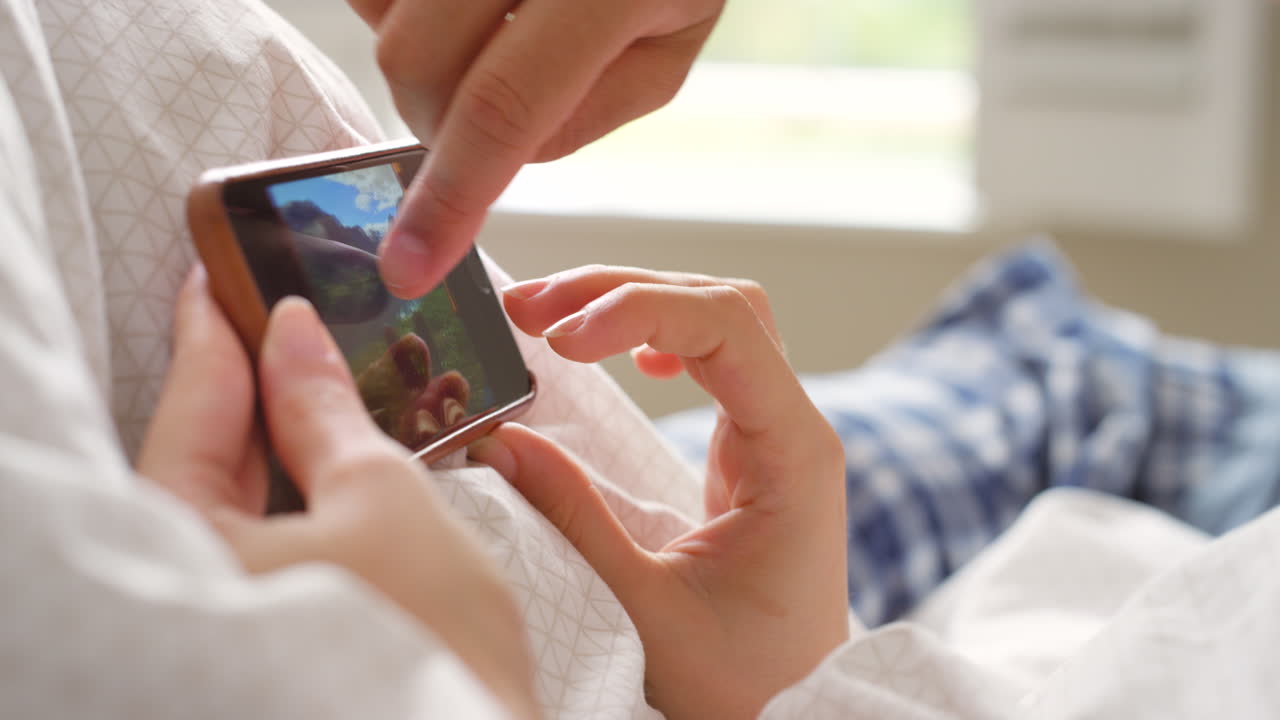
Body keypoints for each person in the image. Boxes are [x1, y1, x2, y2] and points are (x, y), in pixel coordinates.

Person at [5, 1, 1280, 719]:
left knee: (1067, 381)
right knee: (1065, 376)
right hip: (746, 614)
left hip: (728, 607)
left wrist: (438, 686)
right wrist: (803, 681)